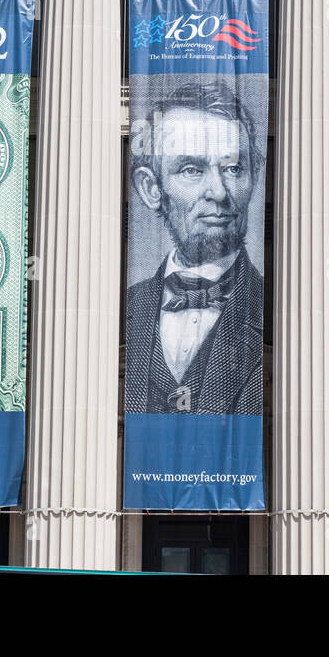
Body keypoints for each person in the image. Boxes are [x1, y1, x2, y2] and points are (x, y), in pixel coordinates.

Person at [125, 80, 264, 416]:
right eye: (192, 169)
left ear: (253, 177)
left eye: (233, 169)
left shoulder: (283, 310)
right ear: (152, 188)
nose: (218, 191)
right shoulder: (121, 309)